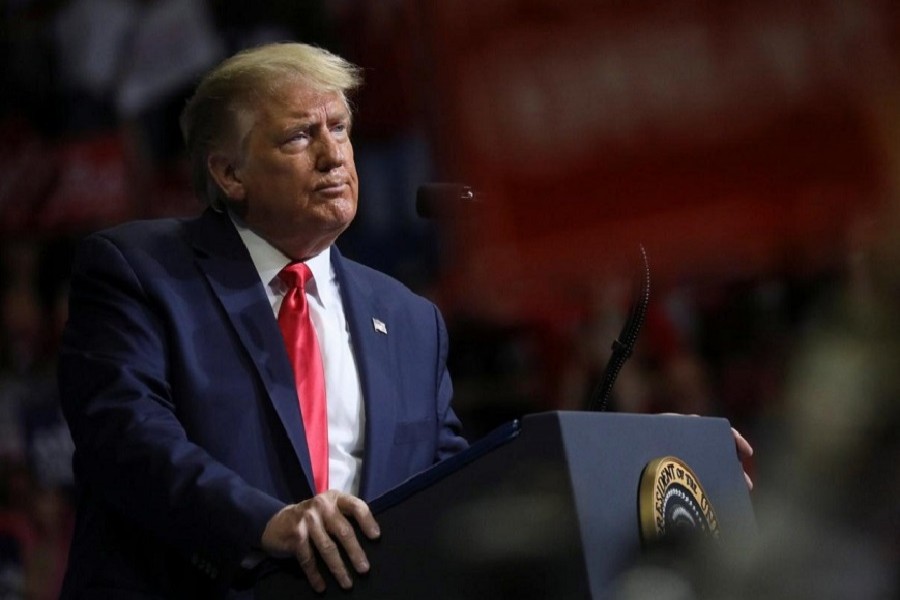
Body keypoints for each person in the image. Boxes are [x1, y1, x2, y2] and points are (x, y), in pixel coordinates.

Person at [57, 42, 468, 598]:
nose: (333, 155)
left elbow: (449, 485)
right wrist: (264, 524)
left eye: (340, 128)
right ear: (230, 173)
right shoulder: (141, 273)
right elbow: (126, 438)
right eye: (300, 136)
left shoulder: (411, 320)